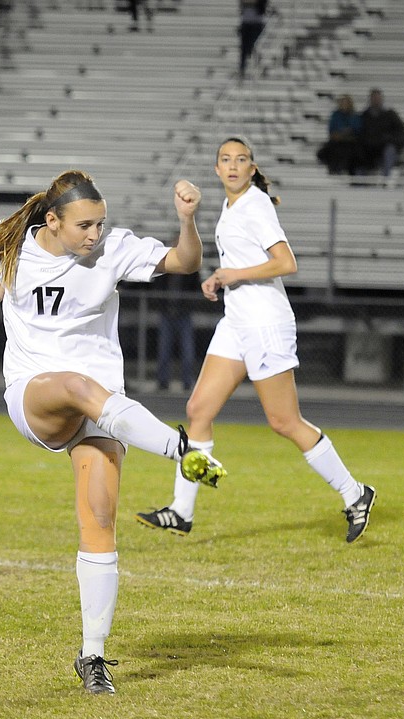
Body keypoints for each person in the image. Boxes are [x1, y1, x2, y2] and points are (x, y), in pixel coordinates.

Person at [0, 170, 227, 695]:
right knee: (74, 382)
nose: (95, 235)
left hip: (105, 408)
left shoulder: (114, 249)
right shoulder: (20, 245)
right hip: (37, 394)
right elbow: (2, 270)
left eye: (101, 224)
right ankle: (180, 449)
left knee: (100, 518)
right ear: (52, 220)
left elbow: (186, 262)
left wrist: (187, 219)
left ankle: (93, 656)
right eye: (85, 225)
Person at [135, 136, 375, 543]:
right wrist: (220, 277)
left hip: (265, 323)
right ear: (216, 169)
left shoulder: (256, 204)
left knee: (283, 421)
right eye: (225, 160)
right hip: (238, 320)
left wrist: (233, 275)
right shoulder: (230, 207)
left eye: (240, 159)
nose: (232, 165)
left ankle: (356, 494)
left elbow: (286, 262)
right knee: (198, 409)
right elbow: (240, 263)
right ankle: (181, 511)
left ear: (252, 167)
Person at [153, 267, 200, 391]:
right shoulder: (166, 268)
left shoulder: (190, 268)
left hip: (184, 313)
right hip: (167, 312)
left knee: (187, 351)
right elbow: (158, 286)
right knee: (164, 350)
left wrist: (187, 306)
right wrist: (162, 305)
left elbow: (195, 288)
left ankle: (187, 382)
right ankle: (163, 382)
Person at [357, 88, 404, 178]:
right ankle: (360, 182)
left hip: (386, 146)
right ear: (370, 100)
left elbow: (402, 134)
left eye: (377, 98)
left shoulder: (390, 115)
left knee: (390, 150)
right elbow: (359, 134)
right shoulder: (363, 116)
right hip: (369, 148)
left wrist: (388, 139)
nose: (376, 100)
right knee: (359, 154)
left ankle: (386, 178)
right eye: (373, 98)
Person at [316, 94, 363, 176]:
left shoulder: (355, 116)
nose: (344, 105)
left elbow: (356, 131)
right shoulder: (335, 116)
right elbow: (332, 132)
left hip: (350, 145)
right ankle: (335, 169)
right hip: (337, 143)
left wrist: (343, 134)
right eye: (342, 103)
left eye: (346, 103)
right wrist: (343, 133)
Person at [238, 0, 267, 79]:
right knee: (244, 48)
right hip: (246, 22)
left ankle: (255, 67)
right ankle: (243, 69)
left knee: (253, 46)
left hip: (256, 23)